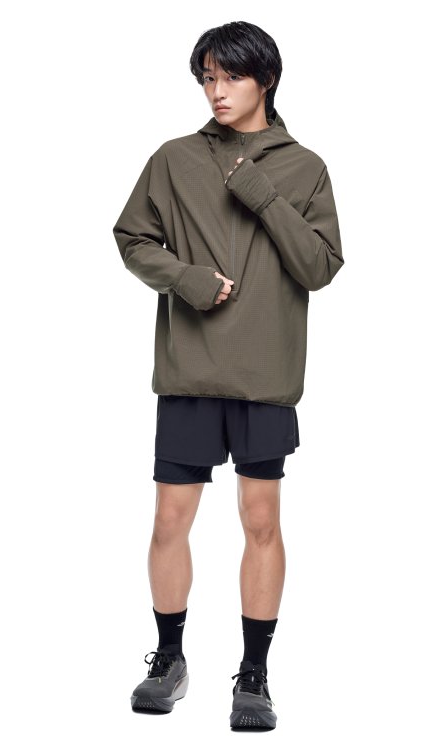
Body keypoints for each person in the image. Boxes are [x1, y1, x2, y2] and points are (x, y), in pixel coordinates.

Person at [112, 20, 344, 730]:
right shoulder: (174, 159)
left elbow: (319, 267)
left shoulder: (304, 168)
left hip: (266, 374)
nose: (216, 90)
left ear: (264, 79)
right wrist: (183, 278)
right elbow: (131, 237)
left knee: (261, 519)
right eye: (207, 78)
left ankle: (255, 675)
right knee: (168, 519)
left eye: (230, 77)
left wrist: (261, 194)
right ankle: (169, 657)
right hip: (188, 370)